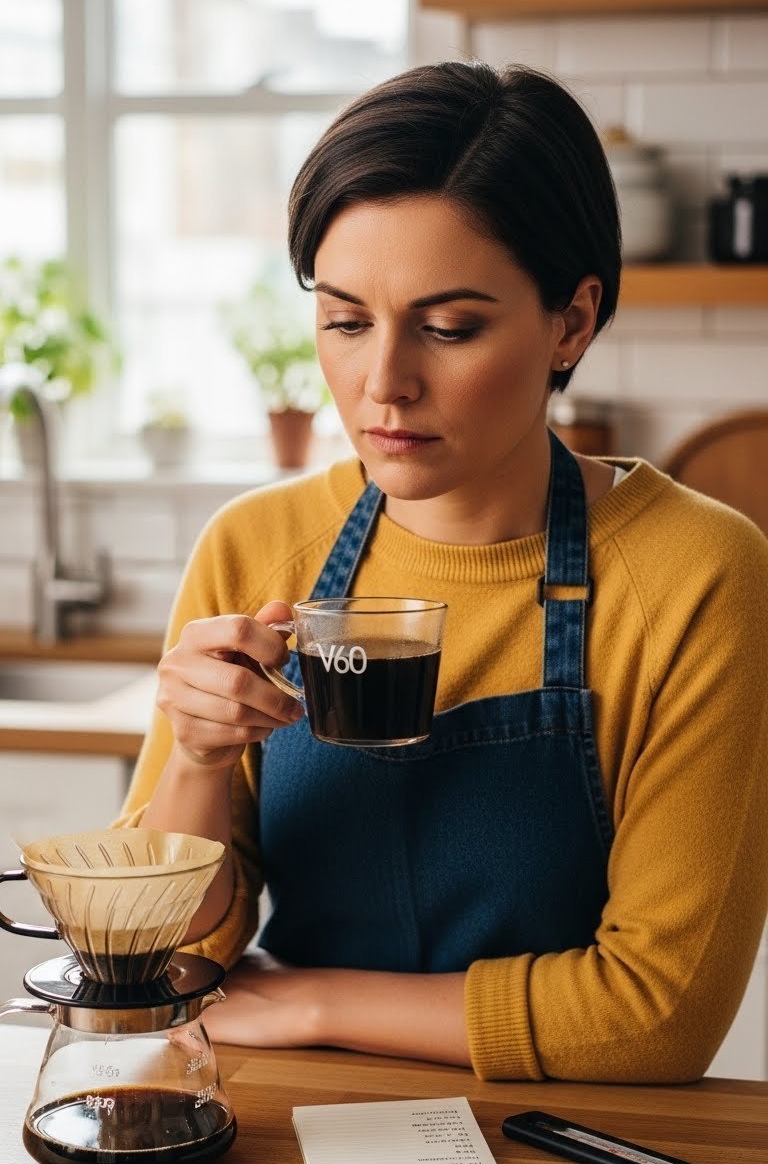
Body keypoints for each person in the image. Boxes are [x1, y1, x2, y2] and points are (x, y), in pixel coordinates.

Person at [116, 61, 768, 1082]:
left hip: (578, 1154)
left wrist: (312, 1000)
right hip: (285, 1139)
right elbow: (168, 963)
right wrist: (196, 765)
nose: (384, 383)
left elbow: (655, 1015)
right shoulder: (256, 548)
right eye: (344, 321)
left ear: (572, 321)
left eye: (449, 327)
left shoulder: (699, 574)